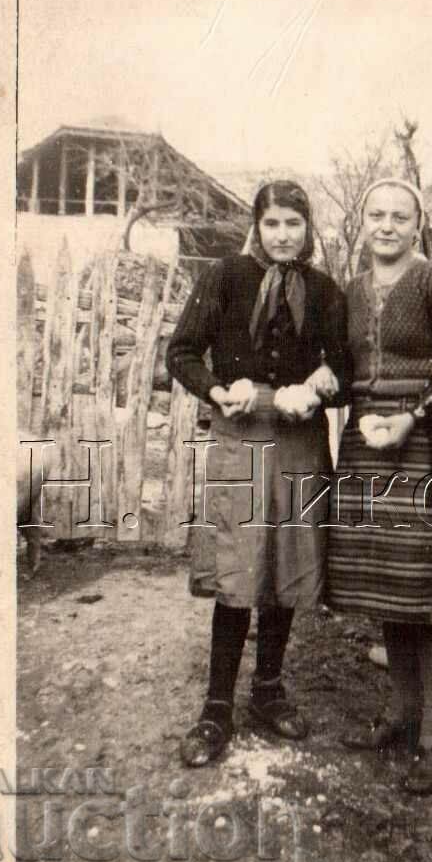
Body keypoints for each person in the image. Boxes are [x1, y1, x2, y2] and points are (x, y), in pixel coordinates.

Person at [167, 181, 348, 767]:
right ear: (256, 226)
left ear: (308, 227)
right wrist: (219, 390)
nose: (283, 235)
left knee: (286, 564)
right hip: (240, 435)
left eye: (294, 223)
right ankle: (216, 707)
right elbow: (181, 352)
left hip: (299, 439)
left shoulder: (325, 291)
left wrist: (318, 386)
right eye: (272, 223)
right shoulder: (225, 277)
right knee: (239, 567)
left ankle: (268, 690)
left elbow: (345, 364)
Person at [327, 178, 432, 796]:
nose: (387, 225)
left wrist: (412, 417)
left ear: (417, 224)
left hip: (430, 444)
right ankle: (399, 711)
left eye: (400, 216)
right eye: (377, 214)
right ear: (363, 222)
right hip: (366, 446)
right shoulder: (351, 291)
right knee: (387, 583)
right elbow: (345, 369)